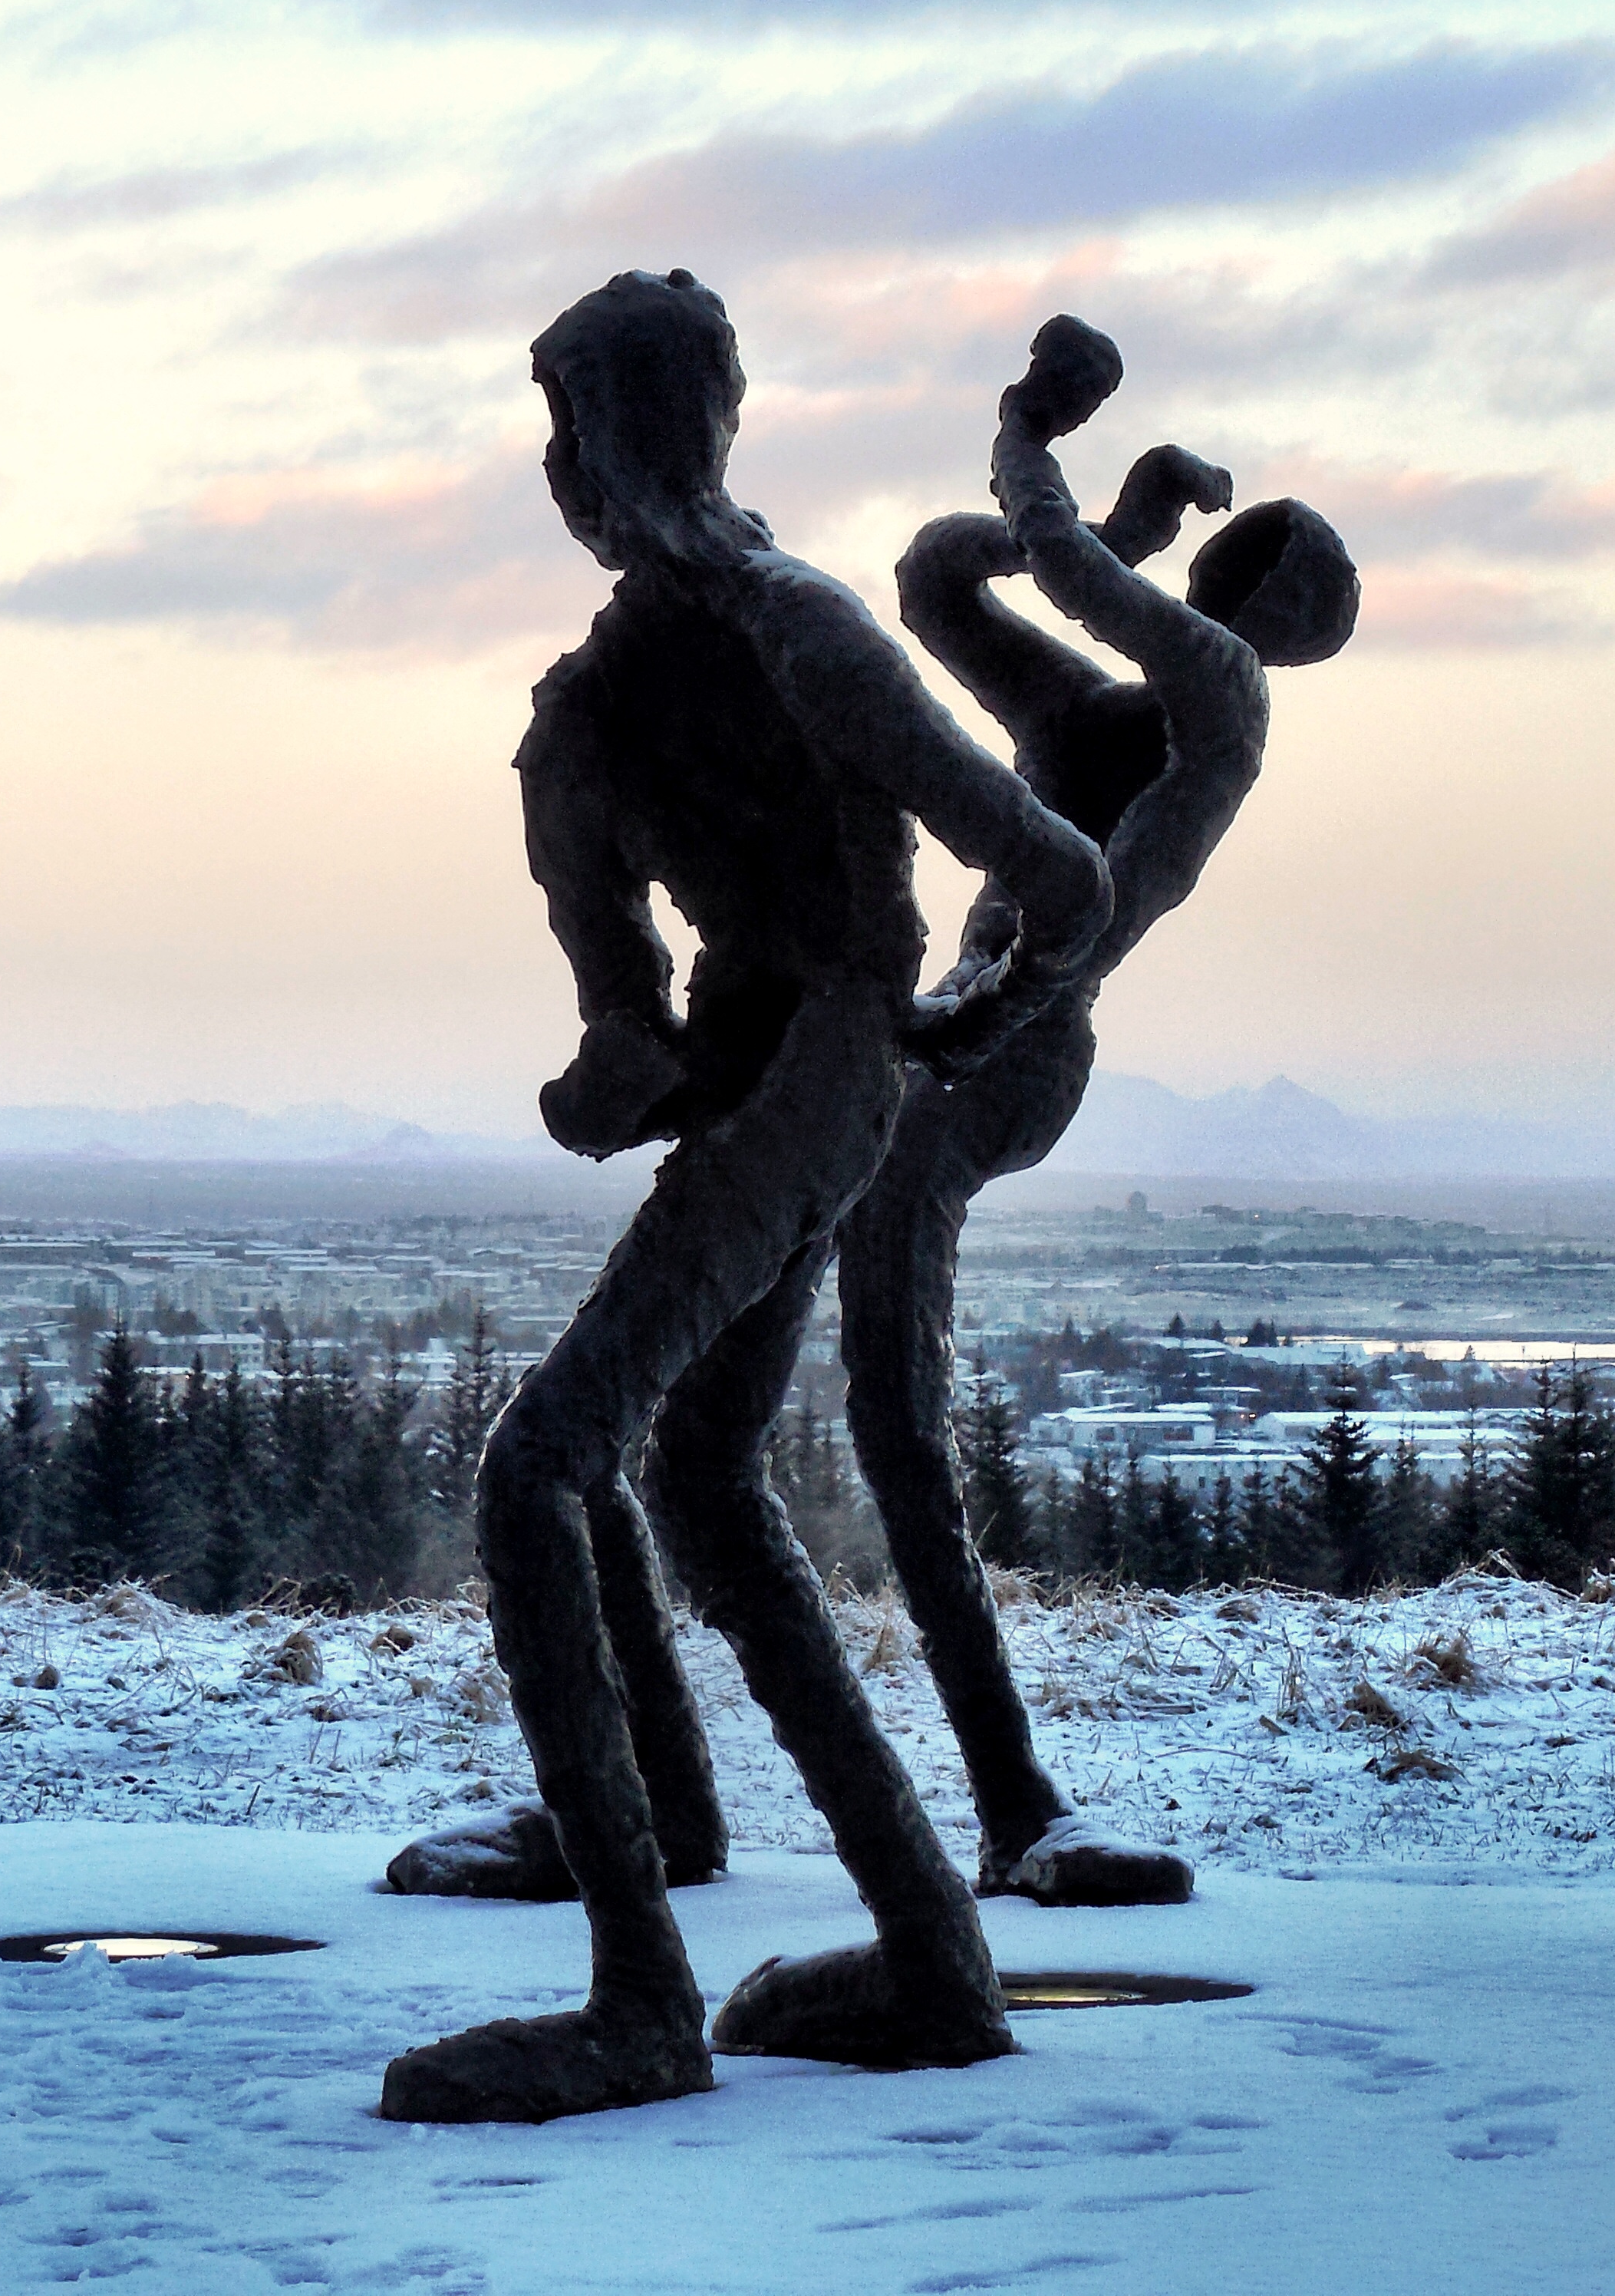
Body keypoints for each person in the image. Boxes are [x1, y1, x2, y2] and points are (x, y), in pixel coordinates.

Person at [383, 316, 1355, 1915]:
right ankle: (676, 1808)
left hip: (988, 1062)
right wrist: (1088, 519)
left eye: (1265, 564)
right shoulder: (1092, 720)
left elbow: (1048, 630)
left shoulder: (1219, 702)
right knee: (703, 1449)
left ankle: (1011, 1811)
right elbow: (934, 581)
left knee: (894, 1432)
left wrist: (1039, 443)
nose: (1234, 572)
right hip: (913, 1045)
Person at [379, 270, 1110, 2124]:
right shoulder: (599, 705)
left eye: (581, 426)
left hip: (825, 1068)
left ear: (662, 433)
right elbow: (619, 1036)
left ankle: (640, 2000)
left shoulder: (796, 626)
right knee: (699, 1480)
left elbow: (1048, 867)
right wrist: (639, 1068)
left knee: (543, 1473)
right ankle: (937, 1960)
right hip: (799, 1069)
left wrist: (938, 1021)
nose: (570, 469)